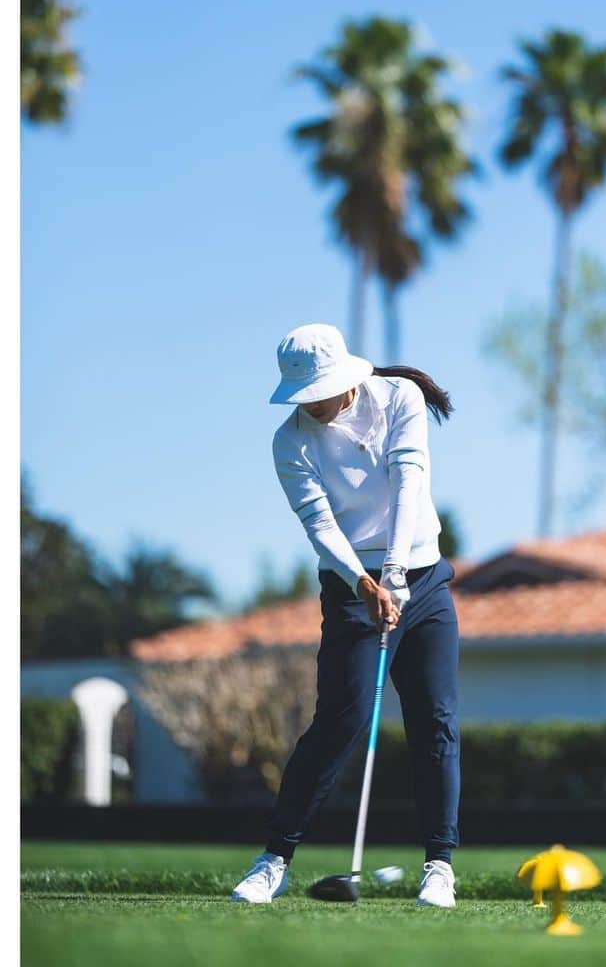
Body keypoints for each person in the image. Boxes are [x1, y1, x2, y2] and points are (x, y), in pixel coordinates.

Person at [231, 322, 461, 908]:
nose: (311, 404)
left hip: (424, 580)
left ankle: (439, 866)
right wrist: (364, 582)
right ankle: (272, 861)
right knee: (343, 718)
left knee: (435, 720)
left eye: (319, 391)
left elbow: (409, 484)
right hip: (350, 587)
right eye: (302, 395)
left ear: (347, 379)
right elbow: (320, 525)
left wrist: (394, 574)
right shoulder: (291, 442)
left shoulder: (398, 399)